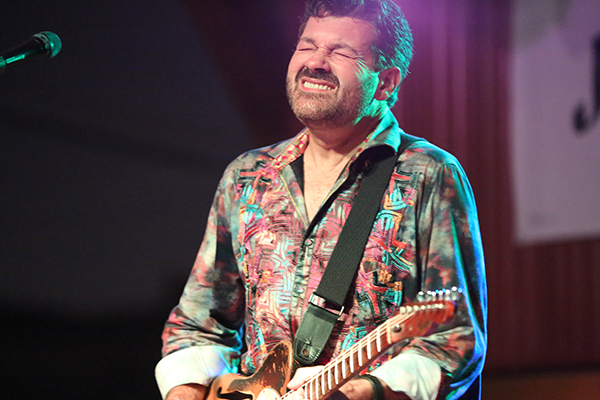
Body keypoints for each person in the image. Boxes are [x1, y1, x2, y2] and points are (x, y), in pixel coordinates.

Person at [155, 0, 487, 399]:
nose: (316, 62)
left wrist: (361, 392)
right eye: (307, 46)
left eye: (341, 52)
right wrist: (185, 391)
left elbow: (453, 340)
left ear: (386, 83)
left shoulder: (428, 174)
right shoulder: (247, 177)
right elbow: (197, 324)